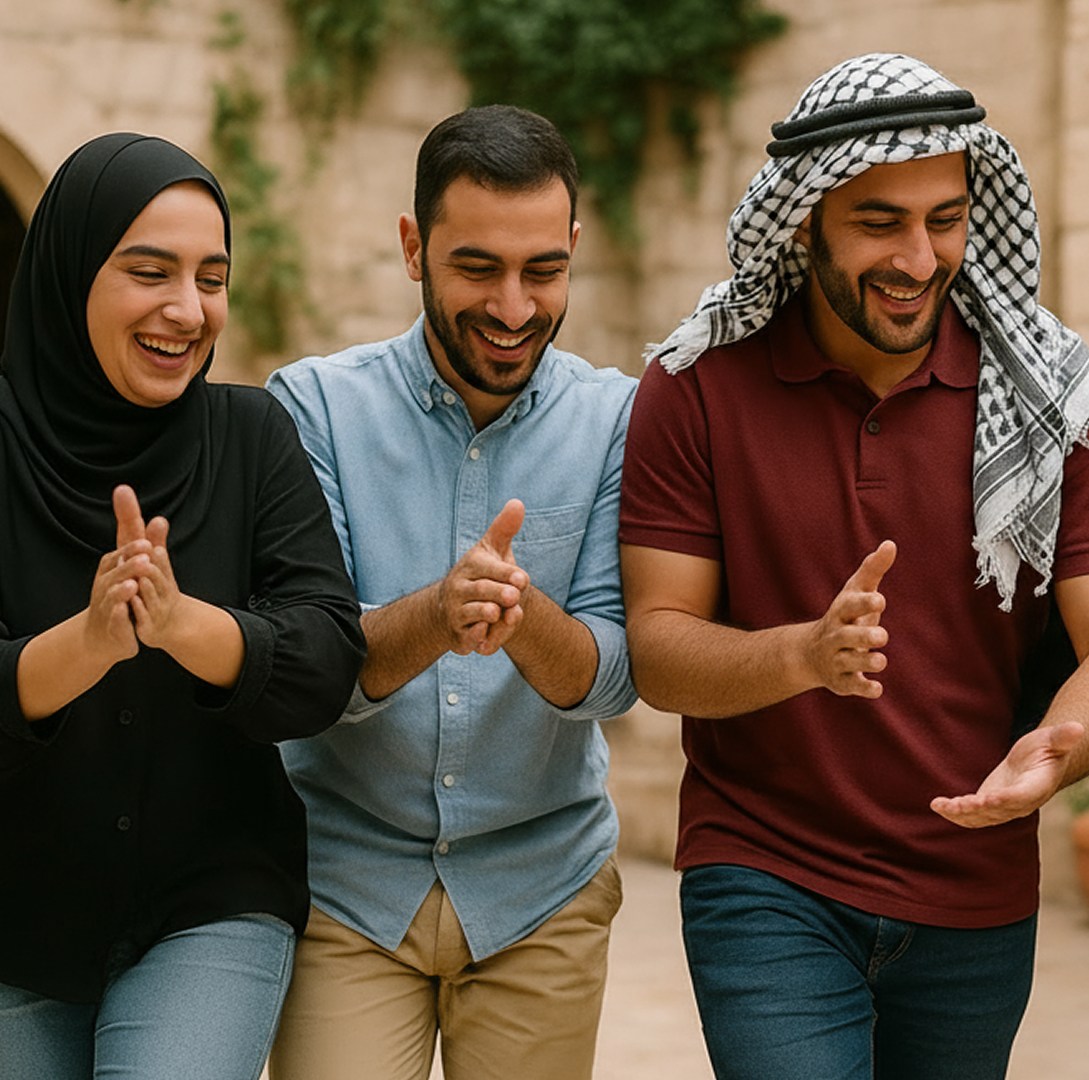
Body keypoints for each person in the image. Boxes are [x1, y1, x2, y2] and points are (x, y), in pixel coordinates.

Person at [620, 53, 1089, 1080]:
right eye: (880, 222)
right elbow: (657, 646)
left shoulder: (1057, 399)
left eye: (946, 220)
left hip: (974, 892)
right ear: (805, 220)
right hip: (766, 873)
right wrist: (801, 656)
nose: (920, 257)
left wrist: (1059, 750)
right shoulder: (696, 386)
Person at [263, 105, 638, 1080]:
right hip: (346, 885)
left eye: (543, 270)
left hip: (542, 888)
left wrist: (522, 615)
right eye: (478, 268)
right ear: (412, 247)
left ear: (574, 249)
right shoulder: (313, 410)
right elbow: (310, 671)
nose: (514, 307)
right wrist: (440, 611)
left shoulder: (617, 419)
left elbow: (612, 680)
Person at [0, 133, 365, 1078]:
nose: (188, 309)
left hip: (211, 902)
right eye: (149, 271)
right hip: (15, 913)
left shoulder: (252, 436)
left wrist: (184, 625)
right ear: (72, 272)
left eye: (213, 278)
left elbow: (328, 657)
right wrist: (85, 645)